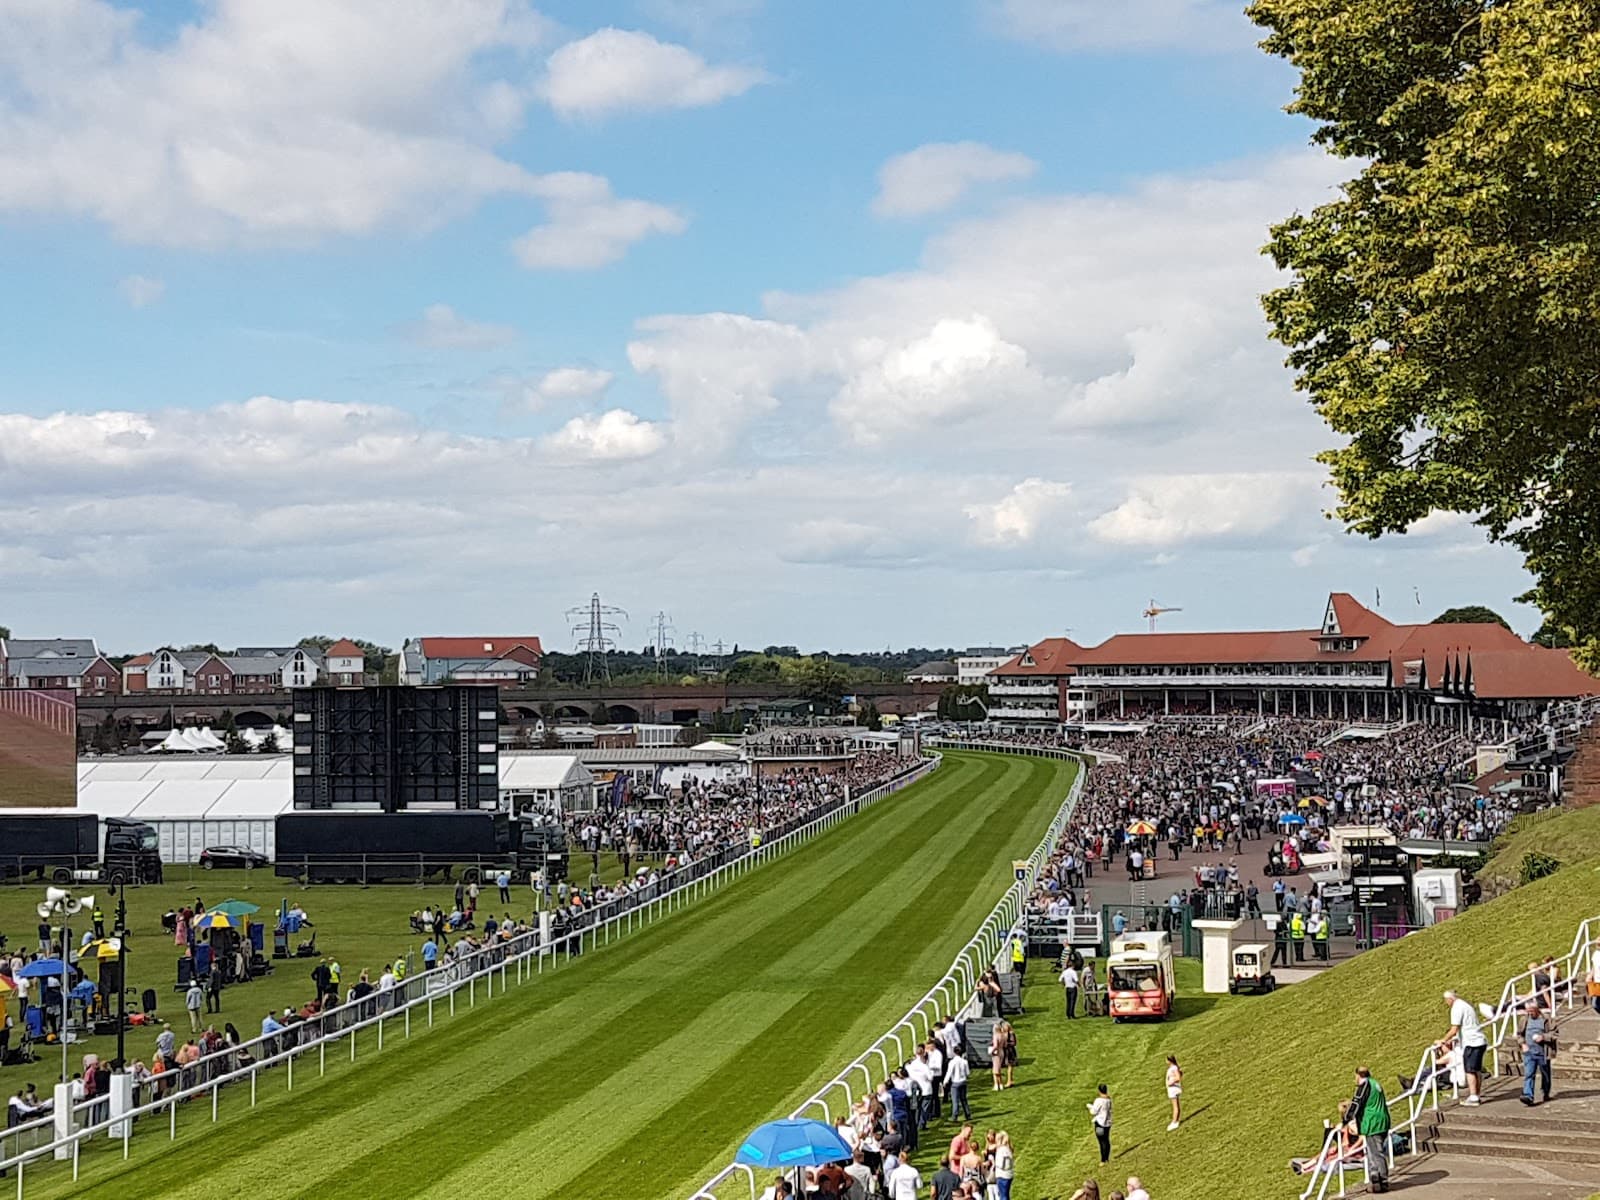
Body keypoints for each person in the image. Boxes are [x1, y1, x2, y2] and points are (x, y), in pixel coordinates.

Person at [1343, 1066, 1390, 1193]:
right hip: (1383, 1121)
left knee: (1375, 1152)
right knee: (1374, 1151)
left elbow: (1356, 1103)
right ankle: (1376, 1179)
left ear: (1359, 1075)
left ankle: (1380, 1179)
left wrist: (1346, 1119)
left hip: (1372, 1123)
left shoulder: (1364, 1086)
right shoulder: (1376, 1084)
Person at [1439, 990, 1487, 1105]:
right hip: (1479, 1041)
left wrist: (1443, 1040)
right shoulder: (1465, 1005)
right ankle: (1476, 1094)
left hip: (1472, 1043)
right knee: (1477, 1069)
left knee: (1470, 1070)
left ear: (1449, 999)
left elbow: (1454, 1029)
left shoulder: (1456, 1008)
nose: (1446, 1003)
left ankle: (1474, 1097)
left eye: (1446, 1001)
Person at [1519, 999, 1553, 1106]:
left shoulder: (1546, 1019)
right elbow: (1519, 1034)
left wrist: (1543, 1037)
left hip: (1543, 1052)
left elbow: (1554, 1034)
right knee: (1529, 1074)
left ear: (1537, 1009)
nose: (1530, 1013)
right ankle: (1528, 1096)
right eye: (1528, 1011)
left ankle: (1546, 1092)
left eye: (1532, 1011)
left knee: (1545, 1074)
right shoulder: (1524, 1020)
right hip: (1529, 1052)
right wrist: (1523, 1044)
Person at [1088, 1084, 1113, 1163]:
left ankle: (1103, 1159)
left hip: (1099, 1123)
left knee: (1101, 1141)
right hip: (1107, 1123)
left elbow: (1093, 1112)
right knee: (1106, 1140)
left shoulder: (1098, 1100)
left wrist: (1090, 1107)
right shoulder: (1108, 1100)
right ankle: (1107, 1158)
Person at [993, 1130, 1015, 1200]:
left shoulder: (1002, 1150)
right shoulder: (1008, 1149)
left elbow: (1000, 1164)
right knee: (1005, 1194)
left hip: (1002, 1175)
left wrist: (994, 1165)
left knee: (1003, 1196)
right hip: (1008, 1175)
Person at [1164, 1055, 1183, 1130]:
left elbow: (1178, 1077)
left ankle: (1175, 1121)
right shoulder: (1172, 1068)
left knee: (1175, 1106)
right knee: (1175, 1105)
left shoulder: (1174, 1068)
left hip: (1173, 1088)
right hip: (1172, 1089)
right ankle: (1175, 1121)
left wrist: (1171, 1082)